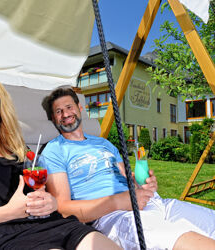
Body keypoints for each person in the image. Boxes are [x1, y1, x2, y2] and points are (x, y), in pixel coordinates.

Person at [0, 78, 122, 250]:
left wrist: (51, 202)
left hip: (55, 224)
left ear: (1, 109)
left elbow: (41, 195)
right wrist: (8, 212)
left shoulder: (19, 151)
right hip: (7, 236)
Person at [41, 87, 215, 250]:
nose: (65, 114)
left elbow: (126, 176)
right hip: (114, 216)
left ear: (80, 108)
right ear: (53, 118)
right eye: (58, 111)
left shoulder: (104, 144)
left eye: (69, 107)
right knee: (182, 240)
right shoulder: (54, 150)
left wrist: (143, 184)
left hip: (156, 202)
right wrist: (118, 201)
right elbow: (63, 208)